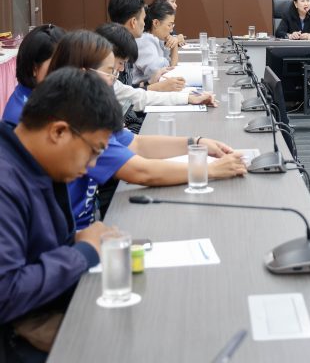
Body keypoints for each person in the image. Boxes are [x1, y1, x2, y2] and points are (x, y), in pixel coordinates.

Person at [4, 30, 247, 230]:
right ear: (83, 72)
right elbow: (141, 171)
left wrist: (196, 142)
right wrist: (209, 170)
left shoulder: (82, 109)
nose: (115, 78)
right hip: (79, 234)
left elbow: (135, 144)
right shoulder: (73, 121)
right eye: (111, 71)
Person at [0, 68, 122, 359]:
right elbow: (5, 292)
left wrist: (77, 242)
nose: (92, 165)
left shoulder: (35, 164)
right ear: (58, 131)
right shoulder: (6, 182)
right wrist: (83, 251)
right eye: (93, 151)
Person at [95, 23, 216, 114]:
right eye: (120, 63)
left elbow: (139, 96)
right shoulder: (144, 41)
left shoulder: (109, 80)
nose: (121, 69)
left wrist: (188, 98)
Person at [107, 0, 184, 92]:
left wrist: (148, 83)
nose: (145, 24)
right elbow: (122, 96)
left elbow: (128, 89)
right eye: (143, 19)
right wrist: (156, 87)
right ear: (134, 22)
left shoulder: (124, 44)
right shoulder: (112, 51)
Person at [2, 24, 66, 126]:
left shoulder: (45, 96)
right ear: (34, 68)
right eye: (57, 66)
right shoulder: (24, 119)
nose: (66, 73)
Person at [134, 1, 179, 86]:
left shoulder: (156, 39)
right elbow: (164, 75)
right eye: (169, 25)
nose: (171, 30)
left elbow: (172, 66)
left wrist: (174, 45)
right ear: (156, 23)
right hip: (141, 92)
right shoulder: (144, 41)